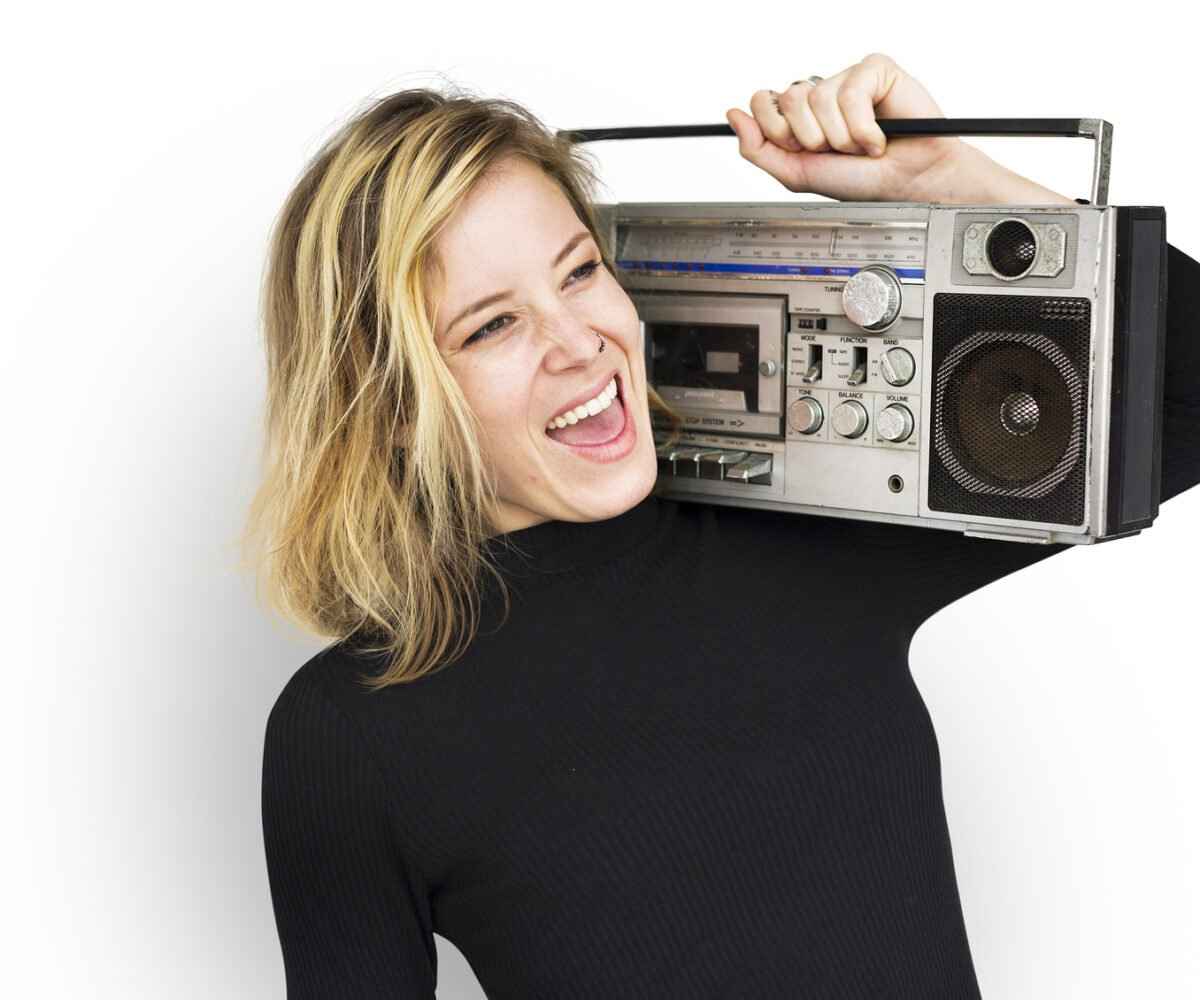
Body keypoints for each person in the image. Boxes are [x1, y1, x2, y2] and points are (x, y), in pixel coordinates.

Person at [249, 54, 1200, 998]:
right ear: (388, 400)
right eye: (492, 326)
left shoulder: (809, 538)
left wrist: (948, 181)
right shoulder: (351, 733)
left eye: (579, 272)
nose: (579, 342)